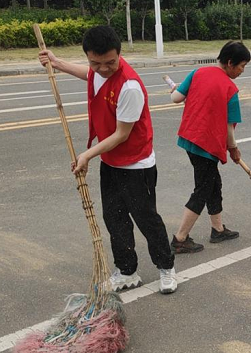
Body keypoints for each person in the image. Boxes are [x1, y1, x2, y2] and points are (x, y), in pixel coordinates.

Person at [38, 26, 177, 294]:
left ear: (119, 54)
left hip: (136, 164)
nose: (103, 69)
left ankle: (167, 268)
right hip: (111, 163)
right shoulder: (98, 70)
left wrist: (87, 154)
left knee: (146, 219)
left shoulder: (130, 86)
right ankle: (127, 271)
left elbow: (121, 135)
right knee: (115, 218)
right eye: (95, 63)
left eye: (110, 62)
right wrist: (57, 63)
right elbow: (90, 75)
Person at [168, 41, 250, 253]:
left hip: (190, 140)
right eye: (242, 66)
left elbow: (176, 98)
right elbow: (228, 129)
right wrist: (234, 149)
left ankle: (218, 229)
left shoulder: (197, 73)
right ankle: (180, 239)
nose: (242, 71)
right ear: (230, 63)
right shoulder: (230, 88)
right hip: (206, 144)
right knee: (202, 189)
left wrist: (177, 88)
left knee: (213, 183)